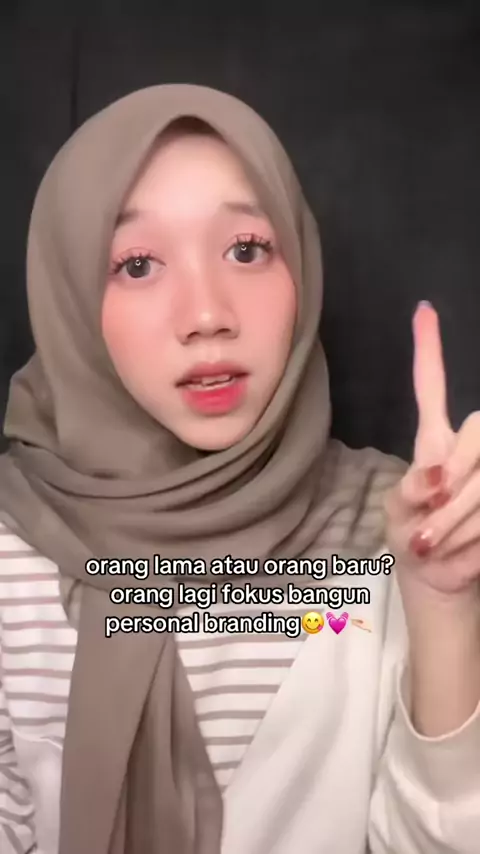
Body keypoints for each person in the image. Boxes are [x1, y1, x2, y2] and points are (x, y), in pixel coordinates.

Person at [0, 84, 478, 854]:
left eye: (247, 250)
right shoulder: (12, 548)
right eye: (138, 264)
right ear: (68, 296)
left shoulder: (403, 527)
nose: (207, 315)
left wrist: (443, 605)